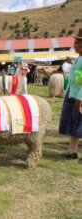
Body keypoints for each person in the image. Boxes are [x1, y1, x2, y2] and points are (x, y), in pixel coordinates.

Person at [59, 28, 82, 164]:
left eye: (78, 43)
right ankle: (72, 151)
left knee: (79, 124)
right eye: (75, 42)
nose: (75, 45)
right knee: (75, 124)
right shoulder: (79, 58)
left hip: (78, 97)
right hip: (73, 95)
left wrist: (79, 100)